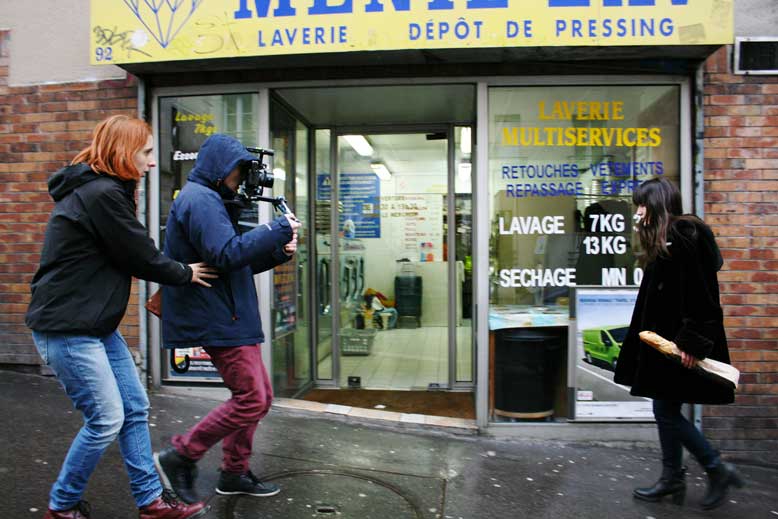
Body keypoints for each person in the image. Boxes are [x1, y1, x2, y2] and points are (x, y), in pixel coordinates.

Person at [25, 115, 216, 519]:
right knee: (106, 418)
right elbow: (138, 253)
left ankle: (151, 503)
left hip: (93, 325)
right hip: (67, 328)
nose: (151, 163)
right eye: (146, 152)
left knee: (134, 407)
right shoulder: (100, 194)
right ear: (122, 151)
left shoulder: (105, 191)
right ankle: (61, 506)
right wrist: (185, 272)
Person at [154, 134, 301, 504]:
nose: (244, 177)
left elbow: (237, 264)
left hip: (231, 313)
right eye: (240, 169)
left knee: (257, 395)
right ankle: (181, 455)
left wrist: (278, 252)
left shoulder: (212, 200)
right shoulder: (199, 200)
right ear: (221, 168)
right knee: (252, 398)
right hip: (219, 317)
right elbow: (225, 254)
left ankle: (234, 471)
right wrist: (275, 230)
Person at [614, 177, 744, 510]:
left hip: (678, 345)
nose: (638, 211)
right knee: (666, 409)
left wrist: (692, 344)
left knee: (666, 411)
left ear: (656, 204)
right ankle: (673, 477)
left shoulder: (683, 237)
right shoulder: (669, 238)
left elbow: (702, 297)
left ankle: (714, 468)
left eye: (642, 204)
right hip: (665, 344)